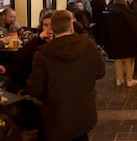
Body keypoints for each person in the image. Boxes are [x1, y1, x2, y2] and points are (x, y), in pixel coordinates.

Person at [26, 10, 105, 141]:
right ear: (71, 26)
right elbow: (101, 72)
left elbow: (34, 88)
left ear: (51, 28)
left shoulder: (43, 53)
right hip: (83, 110)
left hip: (56, 115)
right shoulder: (88, 44)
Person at [103, 0, 137, 87]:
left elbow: (105, 29)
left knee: (117, 59)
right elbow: (133, 27)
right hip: (127, 40)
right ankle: (129, 79)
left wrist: (106, 42)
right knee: (128, 59)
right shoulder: (127, 13)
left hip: (114, 40)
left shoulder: (109, 14)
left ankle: (119, 79)